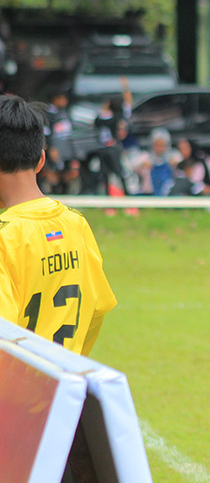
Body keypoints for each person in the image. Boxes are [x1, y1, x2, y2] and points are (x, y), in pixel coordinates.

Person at [0, 94, 116, 356]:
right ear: (41, 160)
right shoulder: (77, 224)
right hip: (62, 387)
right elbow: (96, 311)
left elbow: (3, 334)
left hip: (16, 390)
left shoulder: (4, 237)